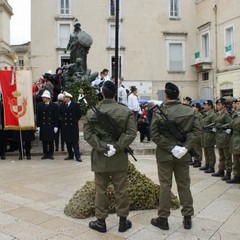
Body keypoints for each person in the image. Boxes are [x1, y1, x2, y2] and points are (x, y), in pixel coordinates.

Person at [83, 81, 137, 233]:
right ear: (115, 94)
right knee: (121, 189)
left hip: (101, 156)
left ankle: (101, 222)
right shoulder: (124, 111)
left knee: (100, 189)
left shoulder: (92, 111)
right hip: (118, 156)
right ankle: (123, 221)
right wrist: (117, 147)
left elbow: (88, 134)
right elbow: (131, 133)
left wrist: (102, 147)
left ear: (102, 92)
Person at [151, 82, 201, 230]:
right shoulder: (190, 111)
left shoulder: (160, 112)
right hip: (183, 156)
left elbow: (154, 135)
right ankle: (187, 218)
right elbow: (197, 132)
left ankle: (163, 219)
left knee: (165, 186)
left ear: (166, 95)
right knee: (184, 185)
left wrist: (170, 147)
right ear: (178, 95)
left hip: (164, 154)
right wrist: (184, 148)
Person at [211, 98, 232, 180]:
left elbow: (230, 123)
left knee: (227, 156)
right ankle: (221, 170)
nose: (217, 106)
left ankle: (228, 173)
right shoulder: (219, 114)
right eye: (217, 104)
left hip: (225, 136)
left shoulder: (226, 114)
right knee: (221, 155)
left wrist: (223, 126)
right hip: (219, 136)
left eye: (219, 104)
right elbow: (216, 122)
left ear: (224, 105)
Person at [60, 91, 82, 162]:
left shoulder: (75, 105)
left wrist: (74, 121)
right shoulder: (62, 105)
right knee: (67, 141)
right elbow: (61, 115)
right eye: (64, 97)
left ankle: (77, 156)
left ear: (69, 98)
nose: (64, 99)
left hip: (73, 126)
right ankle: (70, 155)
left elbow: (79, 115)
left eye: (65, 97)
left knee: (75, 142)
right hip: (65, 126)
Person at [36, 90, 58, 160]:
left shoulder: (54, 105)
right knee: (44, 141)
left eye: (44, 97)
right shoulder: (40, 105)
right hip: (43, 125)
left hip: (51, 125)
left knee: (51, 141)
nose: (43, 98)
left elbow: (56, 117)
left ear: (48, 98)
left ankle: (50, 154)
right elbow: (38, 117)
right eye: (43, 97)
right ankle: (45, 153)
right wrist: (38, 126)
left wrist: (56, 126)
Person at [199, 100, 216, 173]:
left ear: (210, 106)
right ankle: (207, 164)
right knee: (205, 151)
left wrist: (207, 126)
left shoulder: (212, 115)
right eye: (204, 105)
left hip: (209, 134)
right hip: (204, 135)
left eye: (206, 105)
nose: (204, 106)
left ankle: (211, 166)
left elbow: (215, 124)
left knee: (210, 152)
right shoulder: (205, 114)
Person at [226, 98, 240, 184]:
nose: (236, 105)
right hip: (235, 138)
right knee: (235, 160)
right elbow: (231, 124)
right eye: (236, 103)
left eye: (238, 103)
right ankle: (236, 176)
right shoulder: (236, 114)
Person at [189, 103, 203, 168]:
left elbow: (200, 124)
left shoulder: (199, 115)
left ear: (197, 108)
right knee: (194, 147)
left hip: (198, 133)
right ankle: (195, 159)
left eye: (194, 107)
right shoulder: (193, 115)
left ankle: (199, 160)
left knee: (198, 148)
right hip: (193, 133)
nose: (193, 108)